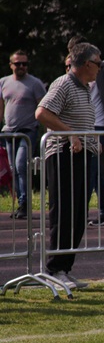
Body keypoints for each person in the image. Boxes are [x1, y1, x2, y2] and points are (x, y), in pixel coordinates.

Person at [35, 42, 102, 291]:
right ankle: (54, 269)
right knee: (64, 212)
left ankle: (65, 269)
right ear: (86, 64)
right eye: (98, 63)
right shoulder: (63, 83)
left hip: (82, 155)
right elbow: (42, 113)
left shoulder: (85, 88)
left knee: (78, 214)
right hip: (64, 154)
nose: (100, 68)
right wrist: (70, 133)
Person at [67, 36, 104, 227]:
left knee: (91, 170)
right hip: (84, 125)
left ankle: (87, 212)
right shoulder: (73, 73)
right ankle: (103, 211)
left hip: (99, 126)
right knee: (93, 171)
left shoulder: (103, 70)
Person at [1, 50, 46, 220]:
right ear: (11, 65)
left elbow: (43, 107)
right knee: (12, 168)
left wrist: (45, 130)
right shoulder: (3, 82)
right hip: (9, 131)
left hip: (27, 130)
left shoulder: (35, 84)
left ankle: (25, 202)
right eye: (18, 63)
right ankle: (21, 203)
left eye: (24, 64)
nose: (21, 67)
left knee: (21, 165)